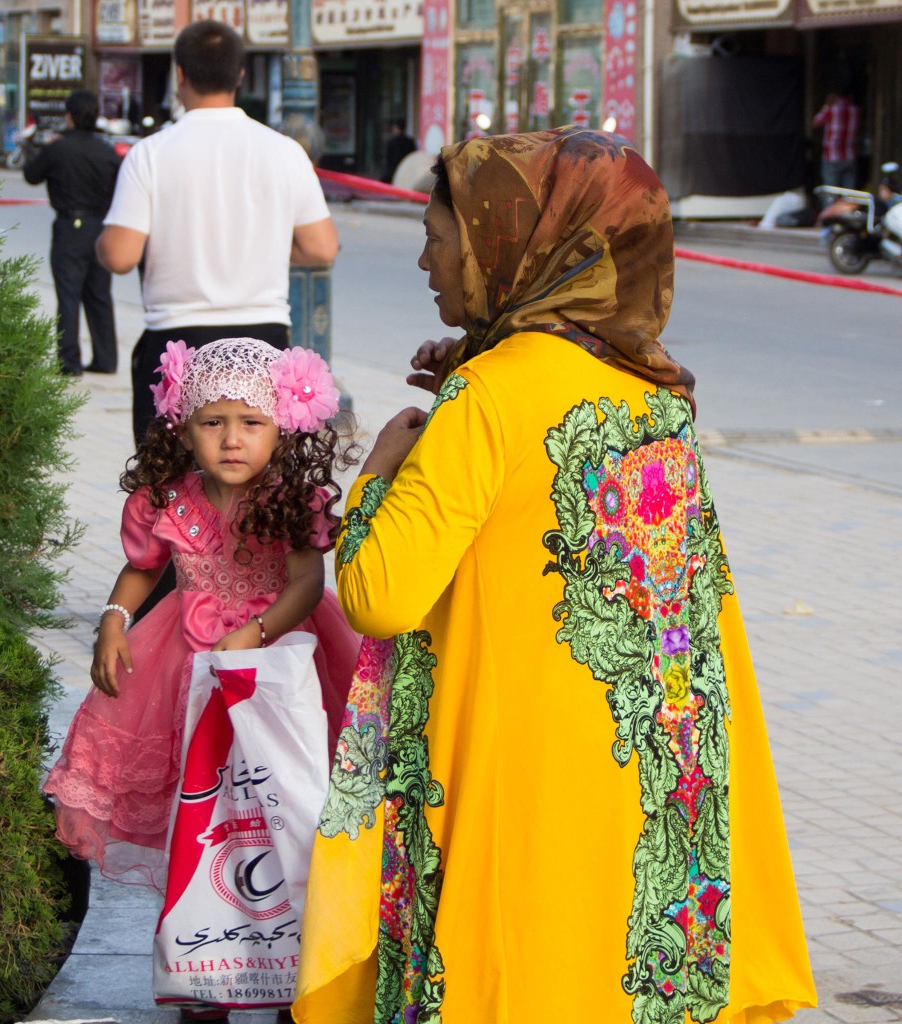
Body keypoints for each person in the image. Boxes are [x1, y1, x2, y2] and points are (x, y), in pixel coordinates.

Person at [294, 129, 818, 1022]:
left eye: (439, 236)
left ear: (508, 245)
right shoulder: (652, 393)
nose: (425, 258)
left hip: (513, 776)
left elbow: (380, 597)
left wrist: (380, 469)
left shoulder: (489, 396)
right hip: (642, 784)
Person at [44, 336, 359, 1021]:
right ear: (183, 427)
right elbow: (142, 568)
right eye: (212, 422)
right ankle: (203, 970)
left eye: (251, 423)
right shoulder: (169, 498)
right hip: (183, 670)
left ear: (284, 427)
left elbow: (307, 583)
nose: (232, 440)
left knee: (284, 808)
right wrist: (113, 618)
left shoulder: (291, 497)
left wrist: (255, 634)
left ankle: (291, 974)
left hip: (278, 669)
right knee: (205, 811)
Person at [96, 20, 339, 443]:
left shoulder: (150, 154)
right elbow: (321, 248)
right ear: (239, 75)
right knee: (259, 493)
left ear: (180, 75)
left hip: (176, 346)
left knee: (170, 491)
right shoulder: (285, 151)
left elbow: (119, 256)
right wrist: (263, 248)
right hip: (263, 343)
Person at [23, 89, 122, 377]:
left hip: (69, 226)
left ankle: (70, 361)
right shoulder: (107, 150)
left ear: (70, 115)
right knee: (100, 294)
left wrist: (36, 146)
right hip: (101, 226)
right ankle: (106, 358)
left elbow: (31, 175)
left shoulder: (59, 148)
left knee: (68, 295)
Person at [812, 89, 861, 189]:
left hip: (832, 157)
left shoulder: (831, 109)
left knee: (831, 193)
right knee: (849, 193)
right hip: (849, 156)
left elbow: (815, 122)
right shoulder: (855, 110)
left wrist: (826, 105)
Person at [382, 117, 416, 183]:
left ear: (396, 127)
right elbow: (413, 157)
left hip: (393, 172)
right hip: (406, 171)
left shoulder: (391, 142)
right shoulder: (410, 141)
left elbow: (388, 159)